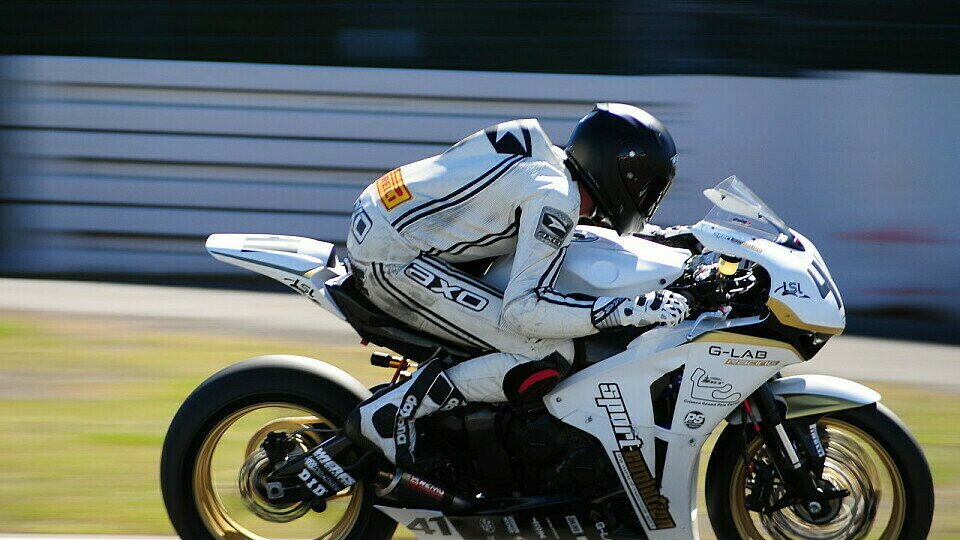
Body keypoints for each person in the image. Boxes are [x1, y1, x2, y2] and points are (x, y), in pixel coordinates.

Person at [343, 103, 690, 468]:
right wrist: (623, 310)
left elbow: (569, 227)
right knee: (547, 352)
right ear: (621, 173)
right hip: (391, 258)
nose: (648, 198)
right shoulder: (554, 196)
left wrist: (670, 239)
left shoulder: (548, 169)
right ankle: (392, 413)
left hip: (385, 226)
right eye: (648, 186)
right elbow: (523, 310)